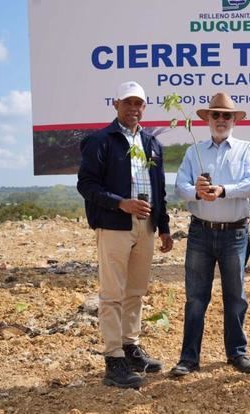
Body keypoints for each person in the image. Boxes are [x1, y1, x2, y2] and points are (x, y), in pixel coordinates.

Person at [77, 81, 173, 388]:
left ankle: (130, 347)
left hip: (145, 226)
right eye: (128, 103)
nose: (134, 108)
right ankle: (113, 359)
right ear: (116, 104)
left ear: (145, 107)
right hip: (114, 225)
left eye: (139, 104)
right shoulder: (100, 141)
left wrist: (165, 226)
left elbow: (159, 188)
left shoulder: (152, 143)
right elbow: (87, 185)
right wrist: (121, 204)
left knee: (136, 291)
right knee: (112, 294)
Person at [170, 92, 250, 377]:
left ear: (234, 119)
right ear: (207, 119)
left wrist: (223, 190)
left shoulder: (246, 149)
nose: (221, 120)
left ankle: (237, 353)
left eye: (226, 115)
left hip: (235, 233)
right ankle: (188, 358)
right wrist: (195, 191)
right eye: (215, 115)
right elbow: (179, 186)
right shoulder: (193, 151)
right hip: (200, 232)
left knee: (236, 297)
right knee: (196, 297)